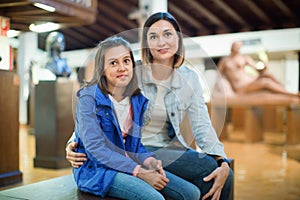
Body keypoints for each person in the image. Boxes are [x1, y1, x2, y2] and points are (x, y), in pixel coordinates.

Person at [67, 12, 233, 200]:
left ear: (178, 38)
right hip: (138, 148)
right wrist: (72, 144)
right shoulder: (131, 72)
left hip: (168, 149)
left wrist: (222, 160)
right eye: (153, 36)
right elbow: (99, 111)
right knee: (205, 169)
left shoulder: (190, 78)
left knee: (224, 174)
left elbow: (202, 124)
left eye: (167, 34)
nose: (161, 42)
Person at [72, 36, 200, 200]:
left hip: (129, 163)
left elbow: (135, 145)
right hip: (98, 171)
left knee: (190, 193)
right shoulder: (88, 99)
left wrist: (149, 161)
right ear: (102, 69)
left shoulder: (137, 99)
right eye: (113, 63)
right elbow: (97, 151)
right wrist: (139, 171)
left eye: (126, 61)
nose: (122, 67)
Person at [217, 40, 299, 97]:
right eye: (235, 46)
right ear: (232, 47)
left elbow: (258, 69)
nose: (237, 48)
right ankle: (290, 94)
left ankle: (285, 90)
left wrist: (264, 66)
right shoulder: (225, 60)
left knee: (268, 75)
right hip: (241, 86)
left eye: (239, 46)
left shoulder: (244, 58)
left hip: (250, 80)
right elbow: (219, 73)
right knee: (266, 82)